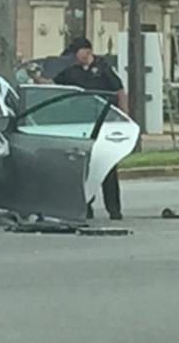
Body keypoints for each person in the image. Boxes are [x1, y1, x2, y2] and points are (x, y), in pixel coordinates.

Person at [53, 37, 128, 221]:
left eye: (76, 52)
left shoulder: (103, 69)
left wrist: (124, 116)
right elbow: (53, 85)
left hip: (104, 124)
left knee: (107, 167)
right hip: (81, 125)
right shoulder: (71, 71)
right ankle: (85, 206)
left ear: (86, 51)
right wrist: (35, 77)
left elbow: (119, 90)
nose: (74, 57)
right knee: (84, 168)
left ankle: (114, 210)